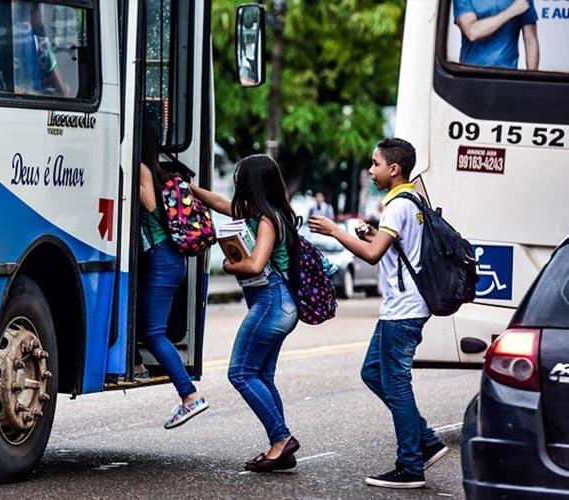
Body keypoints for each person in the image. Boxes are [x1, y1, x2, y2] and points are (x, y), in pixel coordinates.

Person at [309, 138, 448, 489]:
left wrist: (335, 231)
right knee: (373, 372)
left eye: (375, 164)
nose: (371, 171)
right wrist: (372, 234)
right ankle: (427, 441)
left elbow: (371, 256)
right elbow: (390, 249)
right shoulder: (410, 200)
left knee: (397, 385)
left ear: (394, 169)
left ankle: (411, 466)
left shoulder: (398, 204)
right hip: (402, 308)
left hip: (403, 310)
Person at [192, 155, 301, 473]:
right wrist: (190, 189)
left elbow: (254, 265)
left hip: (271, 302)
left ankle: (281, 439)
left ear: (251, 184)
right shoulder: (259, 213)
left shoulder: (268, 221)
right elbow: (220, 202)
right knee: (263, 377)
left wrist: (228, 264)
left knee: (239, 373)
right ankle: (280, 447)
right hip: (277, 304)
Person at [138, 120, 208, 429]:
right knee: (143, 321)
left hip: (161, 259)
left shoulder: (141, 168)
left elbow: (150, 203)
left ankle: (189, 396)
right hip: (169, 259)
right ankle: (137, 366)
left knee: (154, 333)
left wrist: (126, 175)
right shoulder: (165, 174)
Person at [453, 0, 539, 70]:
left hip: (507, 76)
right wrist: (512, 11)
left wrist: (532, 82)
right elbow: (472, 32)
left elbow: (530, 41)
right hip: (471, 74)